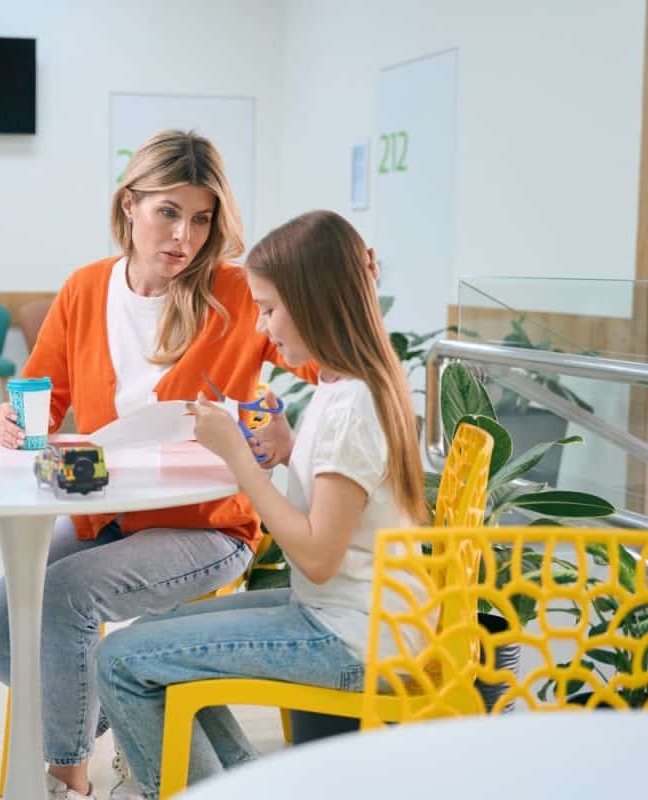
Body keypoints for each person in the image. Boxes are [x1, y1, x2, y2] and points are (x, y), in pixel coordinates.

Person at [0, 130, 315, 800]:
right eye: (168, 212)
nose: (183, 236)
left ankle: (68, 782)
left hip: (208, 528)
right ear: (130, 204)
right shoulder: (85, 289)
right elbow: (38, 394)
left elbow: (322, 363)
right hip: (106, 517)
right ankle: (137, 716)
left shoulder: (239, 293)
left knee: (68, 602)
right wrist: (10, 421)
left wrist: (290, 424)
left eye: (201, 219)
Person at [94, 210, 427, 799]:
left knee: (121, 660)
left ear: (316, 302)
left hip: (351, 636)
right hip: (351, 616)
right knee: (152, 637)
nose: (263, 327)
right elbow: (347, 502)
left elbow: (320, 556)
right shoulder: (345, 385)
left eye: (270, 308)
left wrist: (242, 463)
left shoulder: (352, 405)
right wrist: (286, 448)